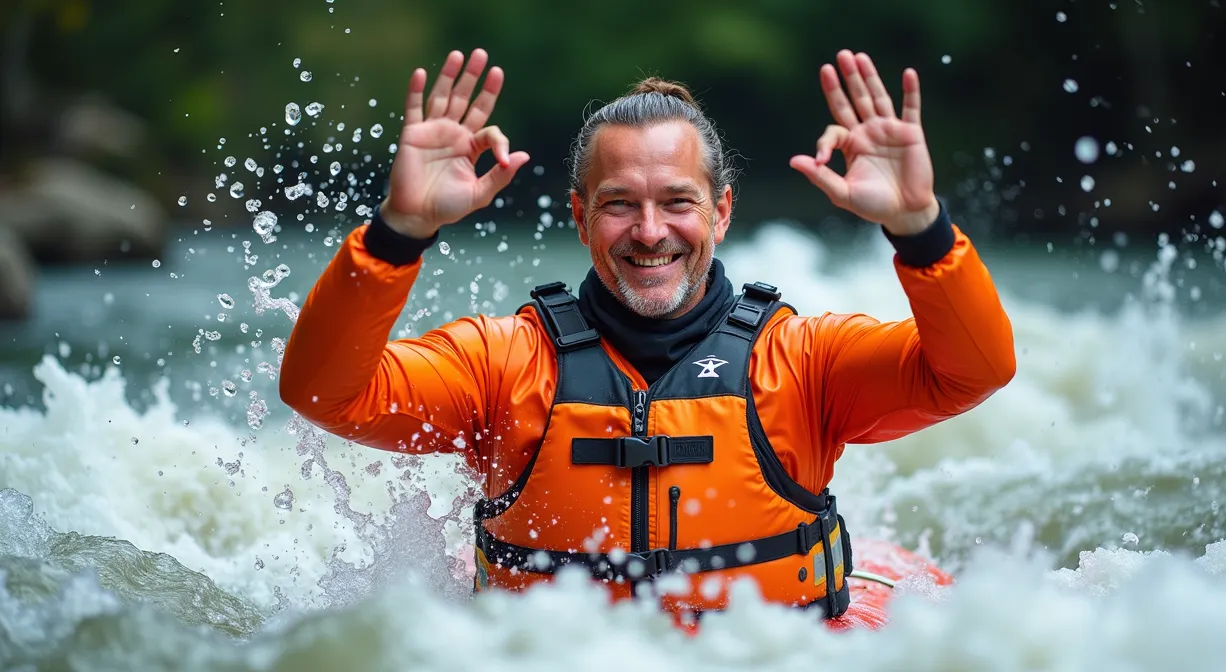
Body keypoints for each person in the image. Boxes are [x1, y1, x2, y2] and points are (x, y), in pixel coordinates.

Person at [279, 47, 1016, 625]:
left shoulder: (804, 361)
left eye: (678, 202)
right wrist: (399, 233)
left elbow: (972, 371)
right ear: (579, 216)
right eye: (619, 204)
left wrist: (920, 229)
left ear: (721, 212)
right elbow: (324, 393)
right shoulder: (504, 362)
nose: (651, 231)